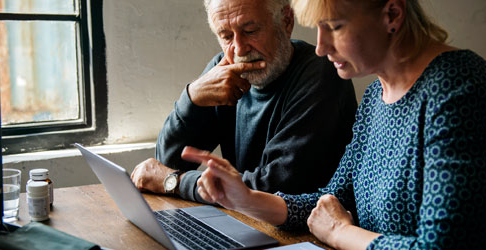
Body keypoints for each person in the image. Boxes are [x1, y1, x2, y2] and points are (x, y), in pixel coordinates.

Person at [182, 0, 486, 249]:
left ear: (392, 14)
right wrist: (246, 200)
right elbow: (334, 198)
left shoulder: (458, 87)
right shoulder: (376, 97)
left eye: (335, 27)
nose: (320, 47)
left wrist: (341, 234)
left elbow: (442, 246)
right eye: (318, 28)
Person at [131, 0, 358, 203]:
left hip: (305, 234)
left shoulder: (321, 75)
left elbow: (275, 189)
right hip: (247, 221)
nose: (239, 49)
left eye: (250, 31)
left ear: (287, 21)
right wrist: (190, 98)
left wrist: (175, 182)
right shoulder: (224, 71)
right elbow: (169, 161)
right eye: (226, 36)